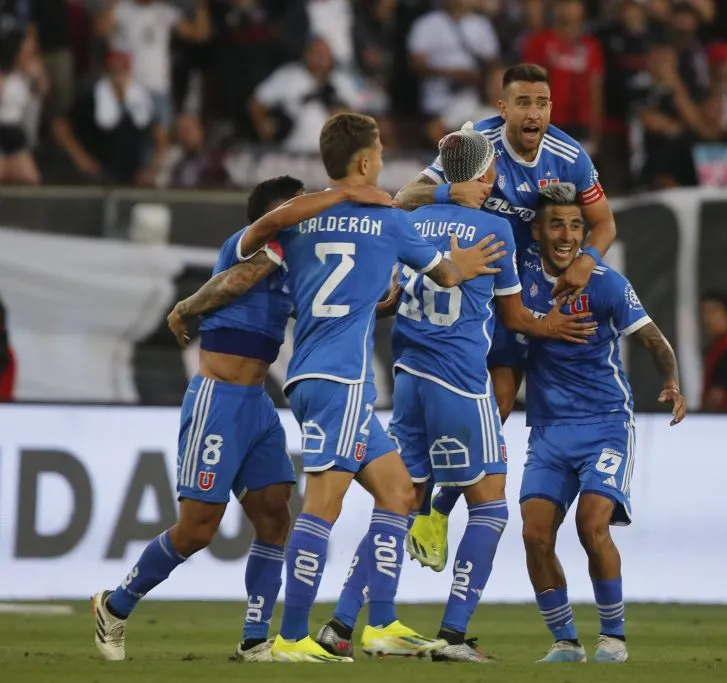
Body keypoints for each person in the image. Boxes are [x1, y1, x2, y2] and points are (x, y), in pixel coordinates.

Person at [315, 125, 597, 663]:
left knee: (398, 505)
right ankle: (451, 636)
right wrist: (552, 327)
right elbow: (514, 318)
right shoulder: (495, 230)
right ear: (487, 174)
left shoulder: (410, 219)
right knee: (489, 507)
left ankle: (341, 623)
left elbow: (388, 295)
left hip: (409, 380)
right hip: (462, 383)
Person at [231, 112, 506, 662]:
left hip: (308, 371)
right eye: (378, 152)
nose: (383, 161)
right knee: (323, 505)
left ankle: (380, 624)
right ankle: (290, 638)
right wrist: (466, 262)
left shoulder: (301, 219)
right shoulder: (388, 220)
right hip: (342, 379)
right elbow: (446, 275)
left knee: (400, 492)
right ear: (364, 162)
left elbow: (251, 239)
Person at [90, 175, 394, 663]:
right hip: (217, 400)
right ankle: (115, 603)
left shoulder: (298, 268)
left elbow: (338, 308)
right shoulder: (244, 247)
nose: (303, 215)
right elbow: (231, 282)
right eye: (294, 208)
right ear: (269, 216)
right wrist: (187, 307)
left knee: (275, 516)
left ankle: (255, 639)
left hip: (257, 405)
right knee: (196, 530)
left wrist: (383, 301)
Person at [395, 63, 618, 568]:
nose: (533, 112)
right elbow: (402, 198)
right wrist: (449, 192)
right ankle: (418, 497)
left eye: (542, 103)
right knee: (463, 401)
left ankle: (435, 507)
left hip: (522, 286)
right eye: (523, 103)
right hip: (470, 284)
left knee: (499, 397)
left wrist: (586, 262)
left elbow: (603, 224)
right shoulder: (474, 147)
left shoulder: (569, 157)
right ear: (503, 108)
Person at [518, 183, 685, 663]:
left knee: (592, 527)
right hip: (548, 429)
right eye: (557, 224)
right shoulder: (520, 275)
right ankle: (565, 642)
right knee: (534, 535)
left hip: (605, 422)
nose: (567, 234)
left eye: (575, 224)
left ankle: (613, 637)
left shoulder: (606, 281)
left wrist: (671, 382)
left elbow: (654, 339)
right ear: (537, 230)